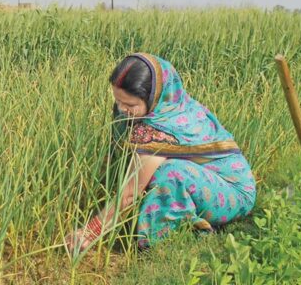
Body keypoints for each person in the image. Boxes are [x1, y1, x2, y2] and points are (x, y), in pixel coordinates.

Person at [65, 53, 256, 252]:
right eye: (118, 100)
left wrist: (89, 232)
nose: (121, 109)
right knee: (162, 171)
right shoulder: (168, 104)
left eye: (130, 105)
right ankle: (188, 222)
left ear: (154, 97)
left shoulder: (162, 126)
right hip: (202, 182)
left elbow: (130, 194)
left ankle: (157, 245)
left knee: (169, 172)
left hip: (233, 193)